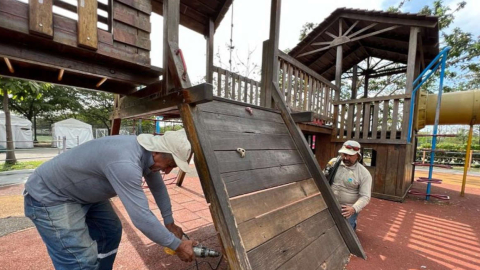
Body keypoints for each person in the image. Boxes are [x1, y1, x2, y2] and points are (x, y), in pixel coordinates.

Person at [23, 128, 197, 270]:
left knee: (110, 232)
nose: (167, 172)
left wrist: (169, 223)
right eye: (169, 165)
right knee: (79, 260)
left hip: (81, 193)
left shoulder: (147, 153)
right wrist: (177, 245)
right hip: (52, 196)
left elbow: (158, 187)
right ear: (157, 151)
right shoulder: (125, 163)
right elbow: (141, 217)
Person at [323, 140, 372, 230]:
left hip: (347, 208)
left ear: (357, 155)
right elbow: (323, 177)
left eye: (350, 155)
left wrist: (353, 209)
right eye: (344, 154)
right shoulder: (334, 163)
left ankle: (353, 223)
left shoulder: (364, 173)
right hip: (330, 202)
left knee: (347, 231)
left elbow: (365, 196)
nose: (346, 158)